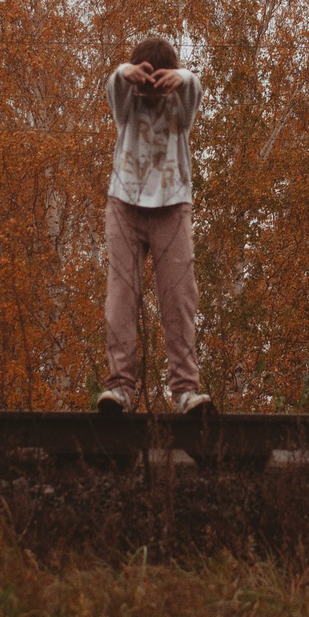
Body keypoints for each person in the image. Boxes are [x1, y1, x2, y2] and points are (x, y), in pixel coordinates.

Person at [99, 36, 211, 415]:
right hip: (124, 206)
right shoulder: (127, 105)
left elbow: (194, 90)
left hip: (172, 207)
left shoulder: (180, 105)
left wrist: (182, 77)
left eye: (158, 83)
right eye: (145, 83)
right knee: (121, 295)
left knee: (179, 297)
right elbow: (114, 87)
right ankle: (120, 387)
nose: (151, 92)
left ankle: (185, 390)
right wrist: (125, 72)